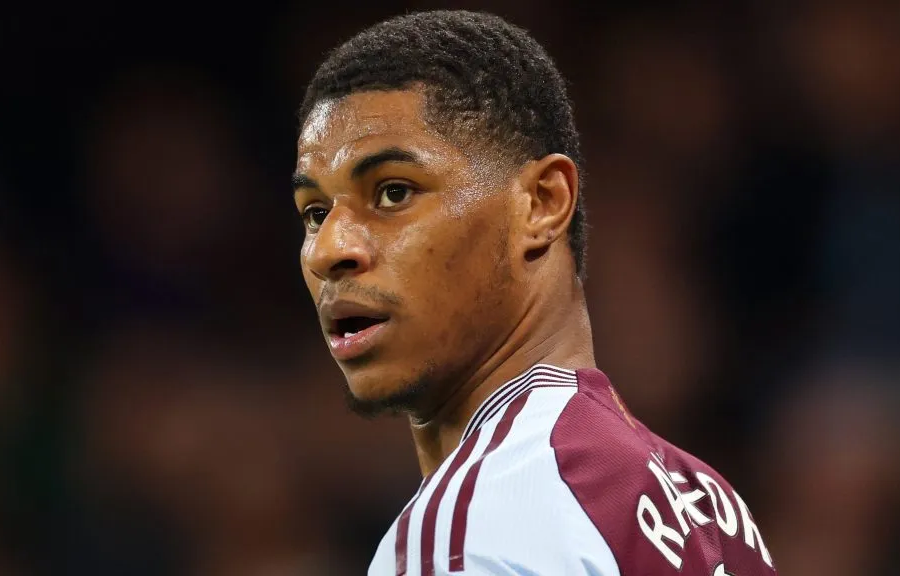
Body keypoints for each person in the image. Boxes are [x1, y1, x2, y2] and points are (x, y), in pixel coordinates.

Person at [291, 10, 777, 576]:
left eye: (394, 192)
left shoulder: (473, 525)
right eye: (315, 213)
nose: (329, 250)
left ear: (543, 203)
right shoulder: (707, 506)